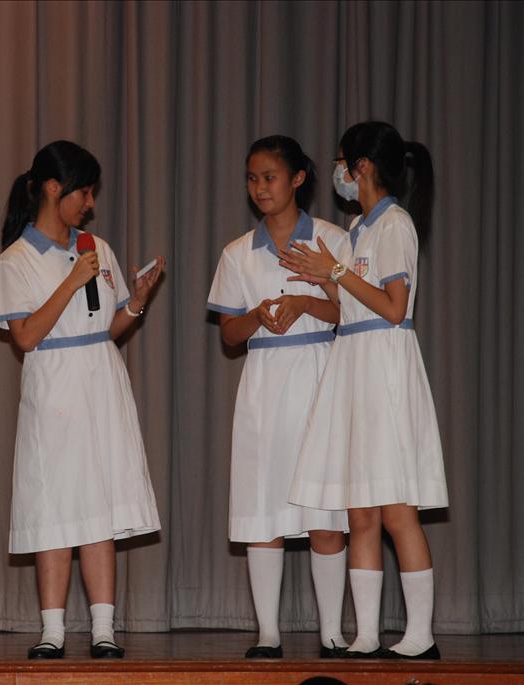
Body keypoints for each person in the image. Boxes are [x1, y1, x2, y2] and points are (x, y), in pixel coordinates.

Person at [284, 121, 448, 660]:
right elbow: (354, 299)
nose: (338, 174)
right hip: (353, 362)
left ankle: (421, 635)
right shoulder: (357, 228)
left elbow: (394, 307)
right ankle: (368, 633)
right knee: (360, 515)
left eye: (342, 162)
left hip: (383, 364)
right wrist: (323, 279)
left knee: (397, 509)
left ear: (363, 167)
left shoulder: (394, 224)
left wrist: (335, 271)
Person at [0, 140, 163, 660]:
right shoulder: (17, 258)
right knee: (54, 505)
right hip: (54, 385)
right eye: (83, 192)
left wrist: (136, 302)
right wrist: (71, 281)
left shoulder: (98, 247)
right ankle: (52, 630)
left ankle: (103, 628)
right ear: (53, 187)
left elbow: (106, 328)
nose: (89, 204)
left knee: (99, 504)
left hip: (100, 380)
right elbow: (26, 336)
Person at [207, 135, 349, 660]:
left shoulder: (333, 240)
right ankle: (267, 632)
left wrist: (306, 303)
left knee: (325, 515)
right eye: (252, 178)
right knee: (261, 510)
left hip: (320, 378)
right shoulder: (237, 253)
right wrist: (258, 314)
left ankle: (332, 632)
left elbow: (359, 312)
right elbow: (228, 334)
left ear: (297, 179)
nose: (260, 187)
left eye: (269, 177)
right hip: (264, 384)